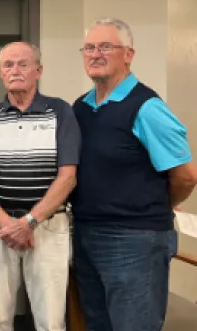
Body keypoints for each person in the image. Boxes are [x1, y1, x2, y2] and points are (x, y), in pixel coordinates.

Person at [72, 17, 197, 331]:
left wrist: (159, 202)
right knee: (97, 324)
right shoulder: (81, 108)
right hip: (87, 235)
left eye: (105, 47)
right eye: (89, 47)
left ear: (128, 54)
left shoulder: (147, 108)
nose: (95, 54)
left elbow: (186, 175)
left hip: (135, 241)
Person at [0, 42, 81, 331]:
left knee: (51, 321)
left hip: (47, 228)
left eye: (23, 64)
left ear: (38, 71)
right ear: (1, 73)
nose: (15, 71)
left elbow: (68, 177)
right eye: (8, 65)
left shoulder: (60, 112)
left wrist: (29, 222)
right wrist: (9, 224)